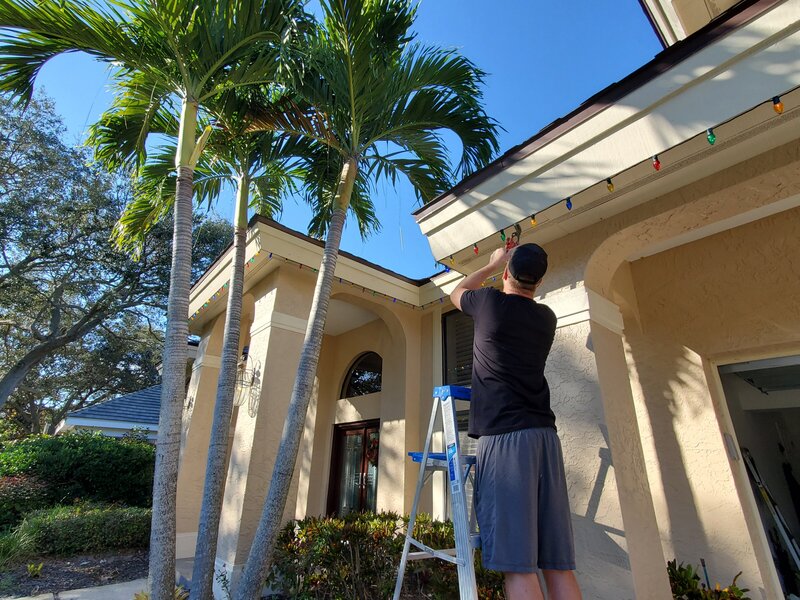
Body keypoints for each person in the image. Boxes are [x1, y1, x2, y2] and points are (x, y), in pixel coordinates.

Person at [450, 243, 582, 600]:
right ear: (538, 282)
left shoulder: (491, 303)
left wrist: (492, 263)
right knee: (557, 563)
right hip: (545, 440)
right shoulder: (546, 318)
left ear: (507, 274)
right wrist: (505, 266)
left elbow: (456, 292)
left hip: (507, 441)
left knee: (518, 565)